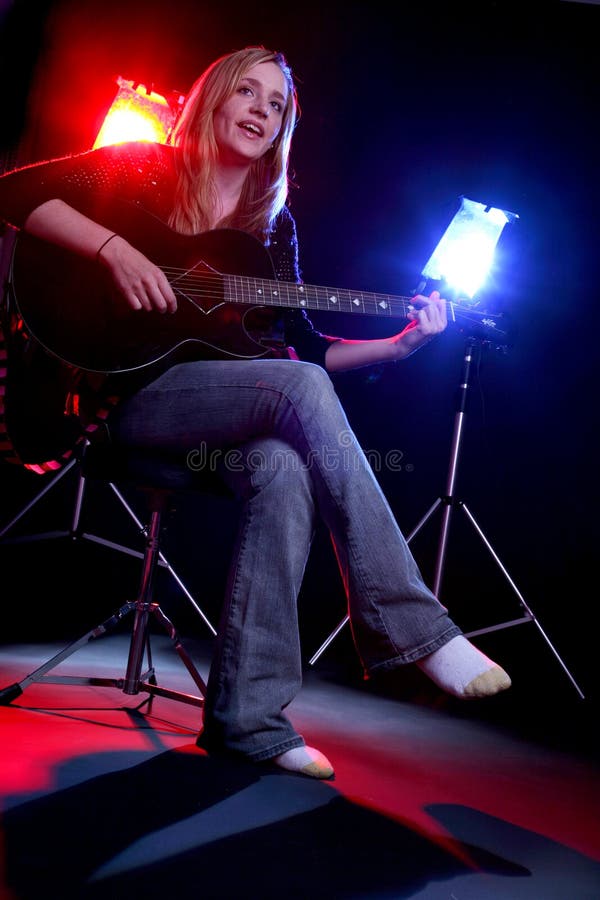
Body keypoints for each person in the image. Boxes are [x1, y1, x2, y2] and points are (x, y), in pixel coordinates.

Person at [0, 45, 510, 780]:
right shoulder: (140, 167)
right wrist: (113, 248)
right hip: (119, 409)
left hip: (209, 432)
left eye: (278, 106)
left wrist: (399, 347)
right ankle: (414, 628)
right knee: (294, 390)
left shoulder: (273, 230)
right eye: (249, 92)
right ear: (213, 99)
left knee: (281, 462)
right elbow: (13, 193)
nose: (262, 112)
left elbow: (309, 352)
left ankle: (249, 722)